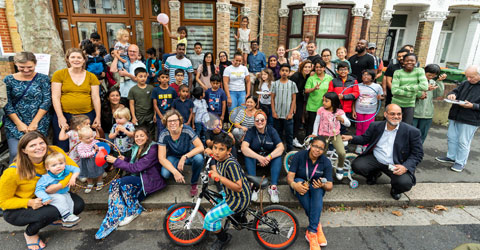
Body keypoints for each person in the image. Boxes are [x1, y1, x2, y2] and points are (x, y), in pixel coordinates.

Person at [0, 131, 84, 250]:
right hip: (19, 207)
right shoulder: (12, 172)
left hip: (49, 196)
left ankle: (53, 219)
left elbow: (71, 169)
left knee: (78, 205)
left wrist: (59, 185)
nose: (39, 147)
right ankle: (30, 234)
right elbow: (3, 202)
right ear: (24, 150)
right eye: (32, 145)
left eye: (41, 143)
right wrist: (29, 203)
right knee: (51, 212)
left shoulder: (54, 151)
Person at [342, 104, 423, 200]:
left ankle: (395, 189)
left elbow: (417, 154)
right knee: (357, 166)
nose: (396, 117)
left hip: (397, 164)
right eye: (392, 114)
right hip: (376, 159)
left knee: (404, 183)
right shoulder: (376, 126)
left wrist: (405, 167)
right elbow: (365, 139)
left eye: (399, 114)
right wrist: (351, 137)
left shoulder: (412, 131)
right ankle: (374, 174)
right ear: (385, 114)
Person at [97, 127, 166, 239]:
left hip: (148, 181)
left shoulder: (153, 149)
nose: (139, 138)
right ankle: (118, 212)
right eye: (137, 136)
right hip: (139, 177)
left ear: (147, 136)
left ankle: (133, 210)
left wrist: (116, 161)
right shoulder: (136, 147)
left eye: (142, 136)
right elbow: (135, 163)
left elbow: (136, 168)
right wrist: (125, 159)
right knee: (116, 185)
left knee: (119, 183)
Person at [206, 133, 251, 250]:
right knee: (216, 199)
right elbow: (214, 154)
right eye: (215, 148)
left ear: (229, 150)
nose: (216, 152)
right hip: (231, 194)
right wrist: (209, 152)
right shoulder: (220, 158)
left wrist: (219, 177)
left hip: (238, 199)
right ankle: (237, 217)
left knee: (210, 217)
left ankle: (224, 239)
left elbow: (238, 187)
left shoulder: (230, 164)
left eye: (221, 149)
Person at [4, 52, 51, 163]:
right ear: (15, 64)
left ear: (35, 64)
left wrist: (35, 122)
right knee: (16, 153)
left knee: (38, 152)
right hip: (15, 122)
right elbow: (6, 103)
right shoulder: (8, 80)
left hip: (39, 121)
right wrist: (18, 123)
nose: (26, 70)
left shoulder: (43, 79)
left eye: (29, 67)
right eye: (22, 67)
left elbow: (47, 101)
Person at [287, 136, 332, 250]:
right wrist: (294, 185)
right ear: (310, 145)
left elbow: (330, 185)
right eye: (315, 146)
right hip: (299, 185)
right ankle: (317, 226)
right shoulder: (299, 156)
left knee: (317, 187)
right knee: (301, 184)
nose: (317, 150)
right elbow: (290, 177)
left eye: (321, 148)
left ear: (324, 150)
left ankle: (312, 231)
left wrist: (323, 185)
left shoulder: (325, 162)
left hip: (316, 188)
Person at [52, 48, 101, 152]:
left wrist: (98, 116)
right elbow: (55, 97)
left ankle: (86, 167)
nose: (76, 60)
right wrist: (60, 117)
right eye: (73, 57)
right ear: (68, 59)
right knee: (63, 144)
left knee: (87, 143)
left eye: (79, 57)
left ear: (84, 60)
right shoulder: (59, 74)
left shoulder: (91, 76)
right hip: (65, 115)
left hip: (86, 116)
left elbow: (96, 97)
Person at [435, 65, 480, 172]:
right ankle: (451, 157)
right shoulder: (465, 83)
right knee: (451, 137)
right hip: (455, 115)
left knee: (463, 142)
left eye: (471, 77)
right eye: (467, 76)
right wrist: (452, 95)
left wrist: (473, 106)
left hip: (471, 119)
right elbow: (455, 91)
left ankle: (460, 162)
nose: (468, 79)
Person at [158, 110, 205, 196]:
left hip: (188, 156)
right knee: (165, 174)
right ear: (166, 123)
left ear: (179, 121)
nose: (172, 123)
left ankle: (194, 184)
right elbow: (161, 158)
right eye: (170, 121)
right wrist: (175, 171)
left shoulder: (187, 130)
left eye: (175, 120)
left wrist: (184, 157)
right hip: (174, 156)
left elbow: (201, 147)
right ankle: (178, 172)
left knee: (199, 158)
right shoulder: (163, 134)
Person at [241, 110, 284, 203]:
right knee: (248, 154)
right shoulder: (251, 131)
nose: (259, 122)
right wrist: (259, 157)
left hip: (269, 160)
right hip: (256, 160)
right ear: (254, 122)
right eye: (257, 120)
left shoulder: (271, 130)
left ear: (266, 120)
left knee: (278, 156)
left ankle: (273, 187)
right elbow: (244, 148)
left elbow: (281, 147)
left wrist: (269, 157)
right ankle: (253, 186)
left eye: (262, 120)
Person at [34, 152, 81, 227]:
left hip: (63, 193)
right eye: (54, 165)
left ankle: (68, 219)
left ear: (64, 163)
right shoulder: (46, 178)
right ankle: (66, 216)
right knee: (61, 198)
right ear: (47, 168)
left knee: (69, 201)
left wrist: (73, 177)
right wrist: (45, 198)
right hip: (51, 195)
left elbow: (76, 169)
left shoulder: (65, 168)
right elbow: (38, 189)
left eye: (61, 163)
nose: (58, 166)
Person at [312, 92, 350, 180]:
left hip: (335, 136)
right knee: (321, 154)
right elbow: (316, 122)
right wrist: (314, 133)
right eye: (323, 100)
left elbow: (348, 124)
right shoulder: (321, 110)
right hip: (323, 136)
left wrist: (342, 119)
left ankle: (340, 168)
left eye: (326, 101)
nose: (324, 103)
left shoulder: (339, 112)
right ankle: (322, 169)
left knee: (342, 152)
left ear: (333, 102)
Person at [391, 53, 428, 125]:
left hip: (409, 105)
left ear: (416, 62)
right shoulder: (398, 73)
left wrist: (403, 87)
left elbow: (424, 86)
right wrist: (415, 93)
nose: (409, 62)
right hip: (396, 103)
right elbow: (394, 90)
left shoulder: (419, 71)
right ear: (403, 62)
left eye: (412, 61)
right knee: (393, 124)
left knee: (406, 126)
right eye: (407, 61)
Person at [352, 69, 384, 154]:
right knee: (359, 128)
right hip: (359, 110)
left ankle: (365, 145)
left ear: (372, 77)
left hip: (370, 112)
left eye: (368, 75)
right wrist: (353, 111)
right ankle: (359, 145)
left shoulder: (377, 87)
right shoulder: (358, 86)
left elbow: (382, 97)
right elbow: (354, 99)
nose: (366, 76)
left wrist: (380, 97)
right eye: (364, 75)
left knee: (367, 129)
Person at [413, 64, 446, 143]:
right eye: (429, 75)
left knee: (422, 135)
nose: (431, 77)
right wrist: (424, 90)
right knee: (411, 134)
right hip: (414, 112)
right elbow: (410, 93)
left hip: (427, 114)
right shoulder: (416, 81)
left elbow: (438, 94)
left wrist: (440, 82)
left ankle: (418, 152)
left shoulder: (433, 82)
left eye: (434, 76)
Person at [271, 63, 298, 152]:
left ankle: (289, 151)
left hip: (288, 115)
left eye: (286, 71)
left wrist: (291, 113)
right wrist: (274, 112)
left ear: (289, 72)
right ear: (279, 71)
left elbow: (294, 99)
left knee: (289, 134)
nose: (284, 73)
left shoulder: (292, 84)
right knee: (277, 133)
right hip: (277, 114)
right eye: (283, 70)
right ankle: (278, 150)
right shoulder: (275, 84)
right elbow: (272, 98)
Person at [328, 61, 359, 132]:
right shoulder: (333, 81)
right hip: (336, 108)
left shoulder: (353, 81)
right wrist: (336, 97)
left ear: (348, 71)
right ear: (337, 71)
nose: (343, 71)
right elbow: (329, 93)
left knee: (343, 127)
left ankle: (342, 141)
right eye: (341, 69)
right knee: (333, 127)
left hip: (347, 109)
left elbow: (356, 93)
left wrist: (344, 97)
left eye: (345, 69)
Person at [305, 60, 332, 137]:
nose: (318, 69)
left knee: (323, 125)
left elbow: (331, 90)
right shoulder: (311, 78)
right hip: (313, 106)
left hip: (325, 106)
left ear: (324, 68)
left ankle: (321, 143)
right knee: (311, 125)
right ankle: (309, 142)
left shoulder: (329, 78)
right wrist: (314, 88)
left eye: (320, 67)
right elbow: (306, 90)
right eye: (316, 67)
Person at [290, 60, 313, 147]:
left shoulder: (306, 76)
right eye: (305, 67)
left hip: (300, 100)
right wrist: (293, 104)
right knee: (295, 118)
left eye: (309, 67)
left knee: (298, 119)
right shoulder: (296, 76)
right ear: (302, 67)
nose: (307, 69)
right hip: (293, 100)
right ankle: (292, 139)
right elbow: (291, 90)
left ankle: (293, 137)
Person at [76, 127, 105, 193]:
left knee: (99, 170)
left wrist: (98, 149)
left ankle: (100, 181)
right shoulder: (80, 146)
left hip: (96, 160)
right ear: (80, 138)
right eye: (88, 138)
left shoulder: (95, 142)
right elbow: (82, 155)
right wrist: (93, 152)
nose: (91, 139)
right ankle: (90, 183)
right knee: (87, 173)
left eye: (92, 136)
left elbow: (102, 148)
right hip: (87, 162)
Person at [128, 67, 155, 135]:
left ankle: (151, 145)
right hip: (139, 116)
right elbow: (131, 104)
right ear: (135, 77)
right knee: (139, 133)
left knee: (150, 133)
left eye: (145, 76)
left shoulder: (151, 88)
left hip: (150, 115)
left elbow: (154, 103)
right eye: (140, 76)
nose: (143, 78)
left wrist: (155, 114)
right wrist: (133, 117)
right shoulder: (133, 90)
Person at [152, 69, 178, 134]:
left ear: (169, 79)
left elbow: (174, 103)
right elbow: (155, 105)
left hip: (170, 116)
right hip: (160, 116)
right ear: (158, 79)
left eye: (166, 77)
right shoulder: (155, 90)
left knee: (171, 132)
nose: (164, 79)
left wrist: (171, 114)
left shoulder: (172, 90)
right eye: (162, 77)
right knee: (161, 133)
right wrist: (160, 116)